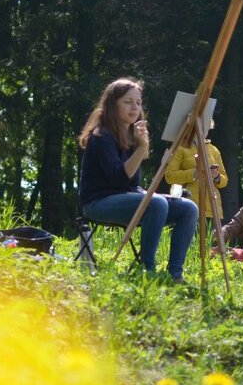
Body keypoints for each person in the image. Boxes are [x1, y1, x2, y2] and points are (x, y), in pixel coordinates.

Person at [77, 77, 198, 282]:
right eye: (128, 102)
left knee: (188, 208)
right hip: (97, 202)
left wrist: (139, 146)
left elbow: (132, 184)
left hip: (125, 198)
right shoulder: (101, 137)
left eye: (139, 102)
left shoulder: (131, 136)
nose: (135, 107)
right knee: (156, 202)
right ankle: (147, 270)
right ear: (112, 104)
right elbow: (119, 179)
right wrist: (142, 148)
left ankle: (174, 274)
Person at [164, 138, 228, 222]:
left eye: (207, 125)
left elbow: (224, 181)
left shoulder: (214, 149)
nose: (204, 127)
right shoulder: (180, 148)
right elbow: (169, 176)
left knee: (211, 235)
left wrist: (216, 176)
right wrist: (194, 173)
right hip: (190, 206)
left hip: (213, 209)